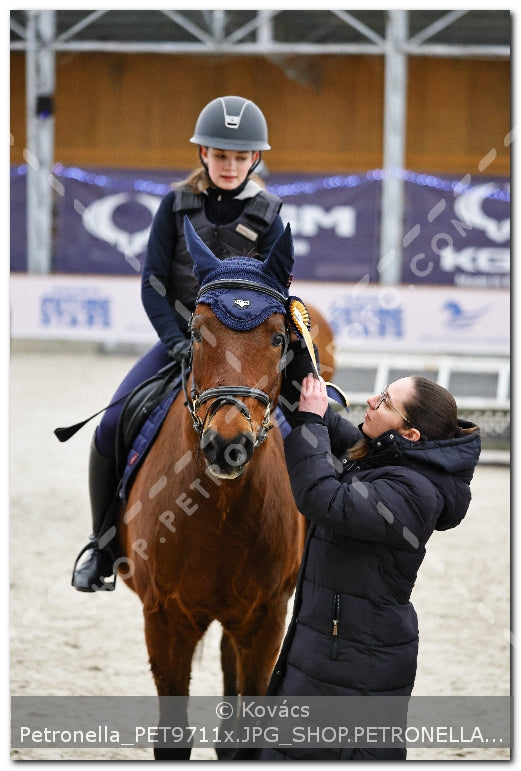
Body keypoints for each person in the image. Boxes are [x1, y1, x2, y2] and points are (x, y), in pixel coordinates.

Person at [71, 95, 286, 592]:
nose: (229, 165)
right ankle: (103, 548)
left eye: (239, 157)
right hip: (180, 342)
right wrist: (176, 342)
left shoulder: (270, 213)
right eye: (220, 154)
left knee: (309, 424)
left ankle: (314, 545)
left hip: (244, 353)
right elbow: (153, 283)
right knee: (108, 428)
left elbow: (278, 289)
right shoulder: (175, 204)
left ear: (254, 159)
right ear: (203, 154)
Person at [247, 361, 481, 761]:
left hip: (355, 663)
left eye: (386, 401)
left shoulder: (414, 492)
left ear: (409, 433)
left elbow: (322, 497)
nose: (372, 400)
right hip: (332, 648)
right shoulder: (389, 456)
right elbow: (329, 427)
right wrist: (298, 367)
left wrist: (309, 419)